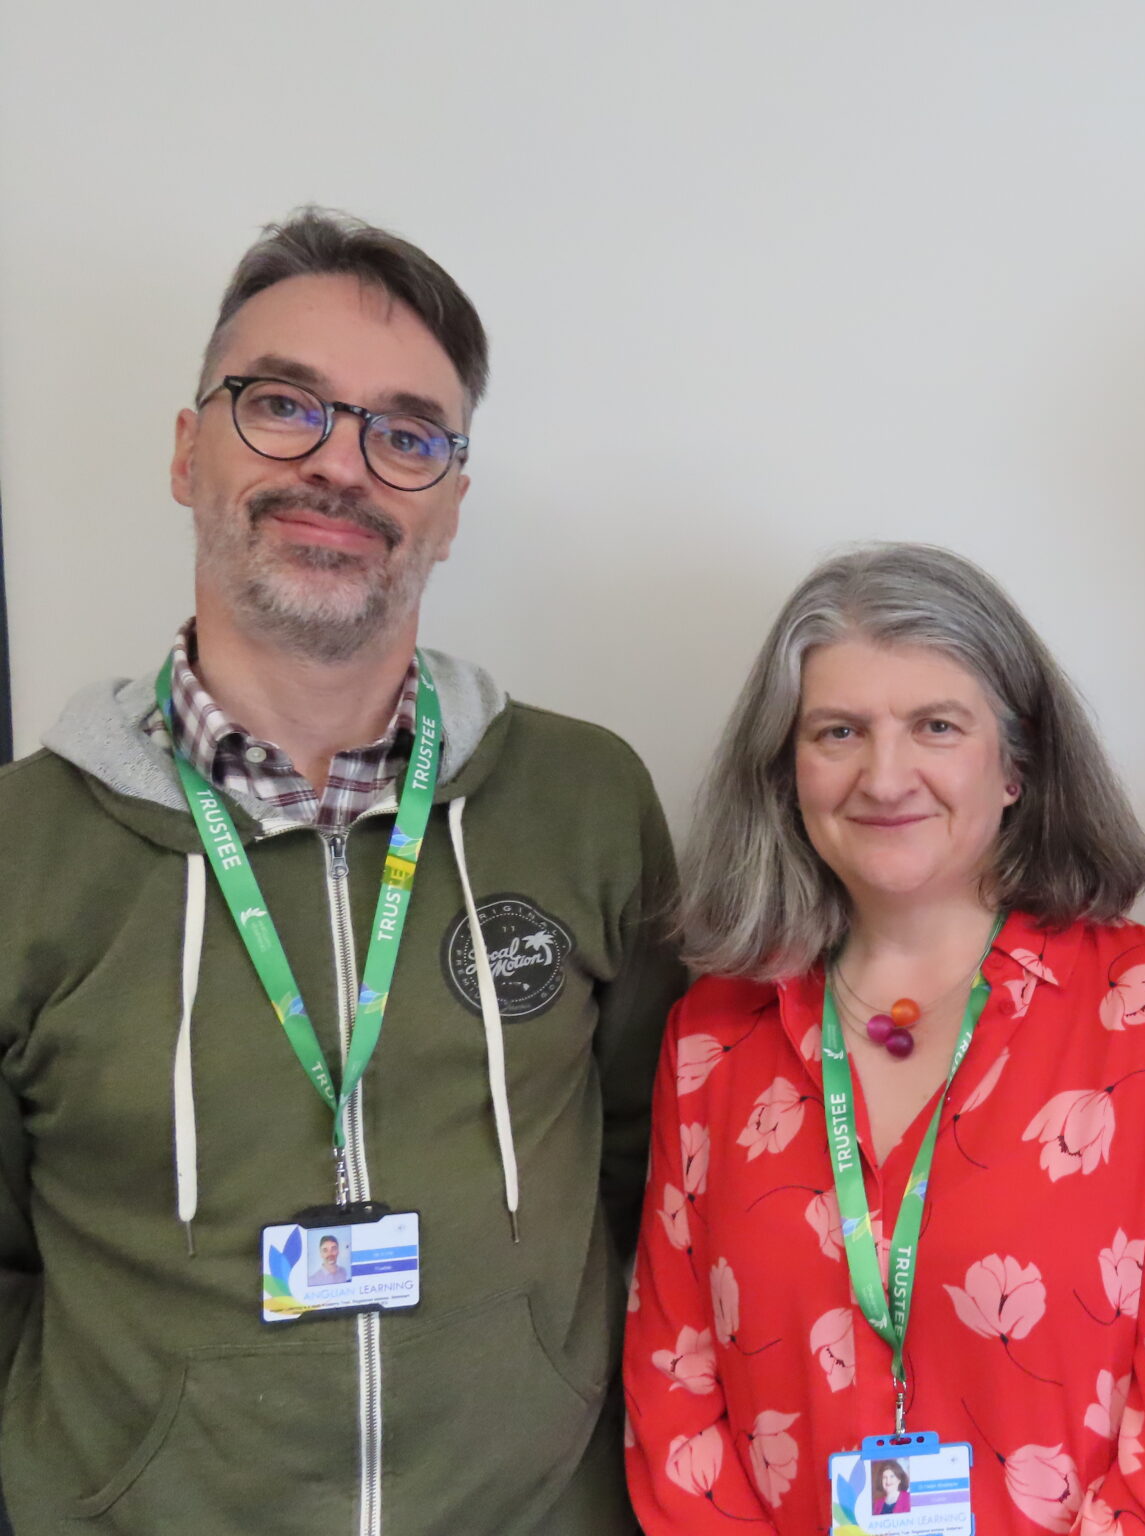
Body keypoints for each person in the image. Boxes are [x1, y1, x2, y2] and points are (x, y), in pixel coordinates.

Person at [0, 209, 683, 1534]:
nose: (341, 466)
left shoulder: (585, 801)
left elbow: (654, 1173)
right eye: (284, 406)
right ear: (189, 449)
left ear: (452, 502)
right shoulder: (23, 848)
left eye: (406, 432)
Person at [623, 544, 1145, 1533]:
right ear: (784, 771)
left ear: (1015, 765)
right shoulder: (712, 1036)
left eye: (936, 726)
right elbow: (674, 1394)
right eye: (836, 731)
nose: (884, 777)